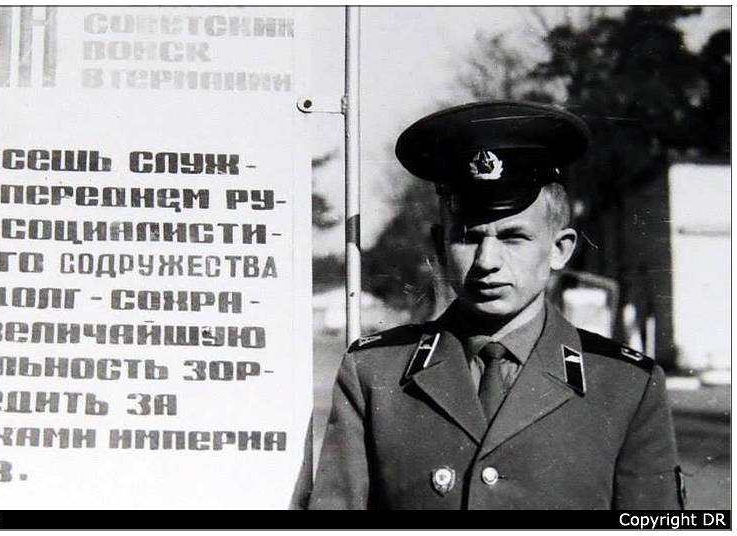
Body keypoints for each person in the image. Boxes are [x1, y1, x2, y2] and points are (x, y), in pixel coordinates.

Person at [293, 101, 684, 510]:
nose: (487, 262)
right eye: (468, 238)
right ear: (439, 247)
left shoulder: (625, 386)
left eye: (514, 237)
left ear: (560, 249)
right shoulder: (376, 375)